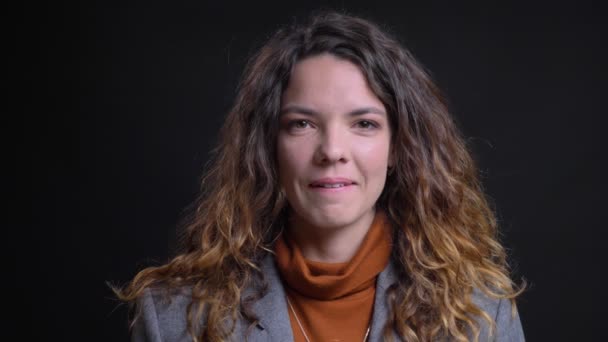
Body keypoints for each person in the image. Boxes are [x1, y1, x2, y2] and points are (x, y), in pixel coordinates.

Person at [114, 10, 525, 342]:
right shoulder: (175, 317)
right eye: (302, 124)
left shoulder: (479, 316)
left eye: (363, 124)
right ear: (268, 146)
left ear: (398, 146)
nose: (331, 151)